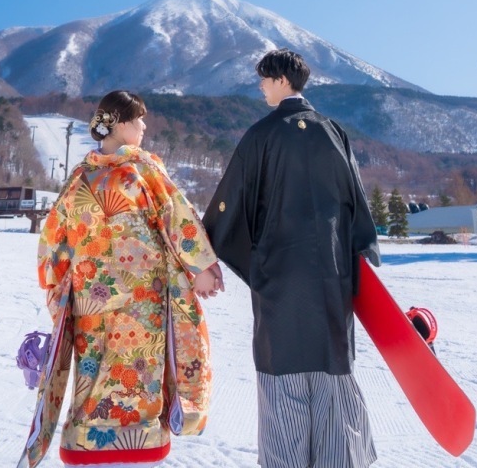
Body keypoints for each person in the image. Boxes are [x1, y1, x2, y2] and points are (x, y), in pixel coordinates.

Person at [203, 49, 380, 468]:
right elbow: (355, 203)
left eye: (264, 79)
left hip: (279, 282)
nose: (261, 86)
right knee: (332, 374)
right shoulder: (331, 130)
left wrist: (206, 256)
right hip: (331, 283)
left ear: (282, 80)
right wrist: (361, 255)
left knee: (282, 384)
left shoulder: (261, 135)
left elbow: (229, 207)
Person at [33, 90, 224, 466]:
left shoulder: (79, 178)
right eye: (139, 120)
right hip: (140, 301)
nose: (144, 126)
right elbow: (176, 217)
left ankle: (89, 442)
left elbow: (54, 239)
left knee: (97, 373)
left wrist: (56, 286)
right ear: (119, 124)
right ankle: (138, 445)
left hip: (93, 301)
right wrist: (200, 267)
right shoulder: (143, 169)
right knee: (135, 372)